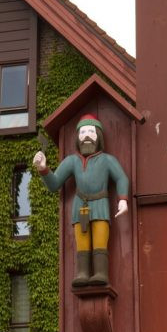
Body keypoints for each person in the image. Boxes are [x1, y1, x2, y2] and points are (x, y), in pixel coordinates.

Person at [33, 114, 129, 287]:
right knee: (82, 242)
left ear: (98, 136)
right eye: (82, 132)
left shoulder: (107, 160)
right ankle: (82, 273)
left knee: (100, 239)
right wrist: (43, 169)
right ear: (77, 137)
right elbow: (54, 184)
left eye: (90, 131)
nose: (86, 135)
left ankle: (101, 273)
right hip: (80, 207)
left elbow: (121, 178)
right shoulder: (72, 161)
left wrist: (123, 199)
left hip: (100, 204)